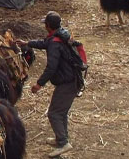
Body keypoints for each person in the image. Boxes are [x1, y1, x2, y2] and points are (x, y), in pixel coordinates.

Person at [21, 11, 81, 157]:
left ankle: (63, 143)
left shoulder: (55, 43)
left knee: (54, 113)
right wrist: (27, 43)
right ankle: (61, 138)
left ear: (48, 26)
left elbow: (51, 68)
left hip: (67, 83)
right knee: (61, 112)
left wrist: (39, 84)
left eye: (45, 24)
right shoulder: (61, 35)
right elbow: (44, 44)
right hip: (72, 80)